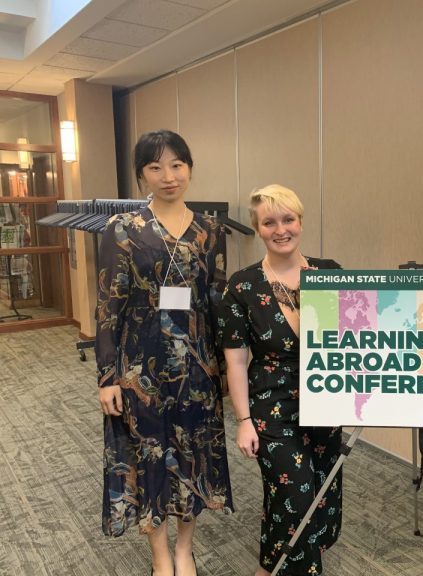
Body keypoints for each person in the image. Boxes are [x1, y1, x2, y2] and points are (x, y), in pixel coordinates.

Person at [96, 130, 233, 576]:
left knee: (193, 454)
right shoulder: (123, 230)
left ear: (189, 168)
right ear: (142, 175)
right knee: (148, 455)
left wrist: (227, 372)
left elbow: (215, 303)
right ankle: (159, 554)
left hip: (197, 367)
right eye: (155, 167)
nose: (168, 175)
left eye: (177, 164)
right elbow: (107, 307)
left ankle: (184, 549)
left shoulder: (210, 230)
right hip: (141, 367)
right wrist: (107, 377)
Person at [218, 184, 342, 576]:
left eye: (288, 219)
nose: (280, 229)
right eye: (269, 222)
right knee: (297, 493)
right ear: (258, 229)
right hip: (272, 406)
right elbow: (235, 362)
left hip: (325, 402)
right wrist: (242, 422)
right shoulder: (243, 285)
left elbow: (355, 339)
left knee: (317, 496)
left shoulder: (329, 273)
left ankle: (267, 569)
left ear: (300, 222)